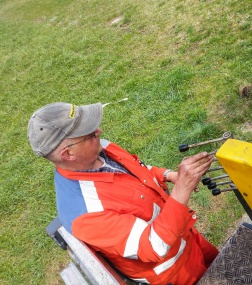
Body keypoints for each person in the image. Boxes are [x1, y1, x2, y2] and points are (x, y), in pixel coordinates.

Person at [27, 102, 219, 285]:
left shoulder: (100, 148)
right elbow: (154, 246)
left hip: (186, 235)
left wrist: (168, 175)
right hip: (175, 271)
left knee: (220, 262)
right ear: (68, 154)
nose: (98, 131)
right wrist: (182, 189)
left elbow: (139, 168)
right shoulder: (85, 215)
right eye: (88, 133)